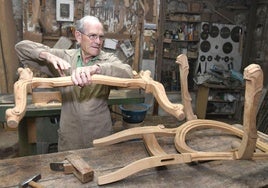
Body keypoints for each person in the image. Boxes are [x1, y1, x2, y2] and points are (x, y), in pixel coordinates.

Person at [15, 16, 133, 151]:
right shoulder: (65, 58)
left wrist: (99, 69)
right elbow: (21, 48)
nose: (98, 41)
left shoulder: (107, 59)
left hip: (100, 135)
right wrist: (48, 55)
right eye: (93, 36)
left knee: (102, 169)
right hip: (70, 136)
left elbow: (128, 73)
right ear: (78, 36)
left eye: (101, 37)